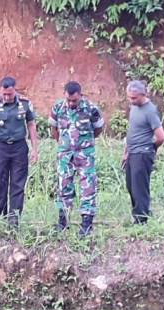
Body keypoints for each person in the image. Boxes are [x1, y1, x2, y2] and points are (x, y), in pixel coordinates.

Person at [0, 76, 39, 228]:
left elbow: (31, 125)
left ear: (15, 90)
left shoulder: (24, 104)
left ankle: (14, 221)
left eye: (10, 94)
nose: (7, 97)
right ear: (0, 91)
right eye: (4, 94)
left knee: (17, 185)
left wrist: (35, 149)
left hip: (19, 147)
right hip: (0, 147)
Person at [48, 81, 104, 237]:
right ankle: (63, 222)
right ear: (64, 95)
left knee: (88, 187)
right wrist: (62, 144)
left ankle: (86, 224)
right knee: (64, 186)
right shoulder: (58, 107)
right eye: (69, 100)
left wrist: (86, 143)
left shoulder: (91, 109)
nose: (71, 103)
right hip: (65, 154)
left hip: (85, 155)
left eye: (74, 100)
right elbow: (54, 128)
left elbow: (98, 128)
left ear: (81, 95)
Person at [123, 80, 164, 224]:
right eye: (129, 97)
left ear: (143, 95)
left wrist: (150, 149)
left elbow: (161, 137)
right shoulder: (134, 107)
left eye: (134, 98)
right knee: (131, 185)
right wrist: (126, 151)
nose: (131, 100)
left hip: (142, 153)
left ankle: (141, 220)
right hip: (132, 152)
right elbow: (132, 131)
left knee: (139, 187)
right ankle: (141, 214)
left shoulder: (150, 111)